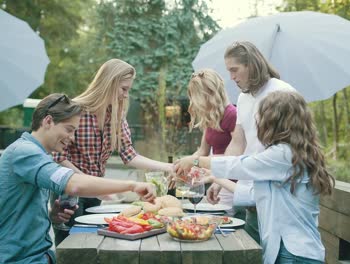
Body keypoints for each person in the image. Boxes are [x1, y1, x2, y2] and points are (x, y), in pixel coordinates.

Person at [176, 91, 335, 264]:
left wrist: (196, 160)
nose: (257, 122)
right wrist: (215, 178)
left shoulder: (283, 155)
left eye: (261, 117)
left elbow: (242, 165)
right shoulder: (294, 154)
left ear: (275, 121)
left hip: (293, 254)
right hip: (294, 252)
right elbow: (253, 195)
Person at [0, 93, 155, 264]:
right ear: (48, 121)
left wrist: (53, 216)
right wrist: (131, 185)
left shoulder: (39, 155)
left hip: (41, 256)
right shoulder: (24, 152)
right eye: (69, 129)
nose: (72, 138)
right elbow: (73, 184)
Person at [176, 41, 295, 243]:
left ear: (251, 64)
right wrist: (222, 178)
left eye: (235, 70)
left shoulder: (283, 93)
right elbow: (238, 144)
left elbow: (290, 151)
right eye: (228, 71)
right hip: (248, 194)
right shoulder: (243, 98)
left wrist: (201, 165)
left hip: (278, 194)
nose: (231, 77)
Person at [51, 58, 172, 245]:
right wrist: (91, 184)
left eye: (128, 90)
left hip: (94, 193)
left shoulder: (116, 116)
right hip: (69, 193)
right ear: (109, 83)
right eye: (124, 89)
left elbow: (129, 155)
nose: (125, 95)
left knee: (92, 246)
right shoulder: (75, 111)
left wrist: (170, 167)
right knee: (71, 248)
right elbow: (59, 158)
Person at [181, 69, 239, 215]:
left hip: (231, 183)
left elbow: (237, 154)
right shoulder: (211, 116)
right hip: (217, 180)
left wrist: (193, 162)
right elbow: (202, 151)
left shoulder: (232, 115)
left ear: (210, 94)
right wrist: (181, 165)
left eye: (197, 97)